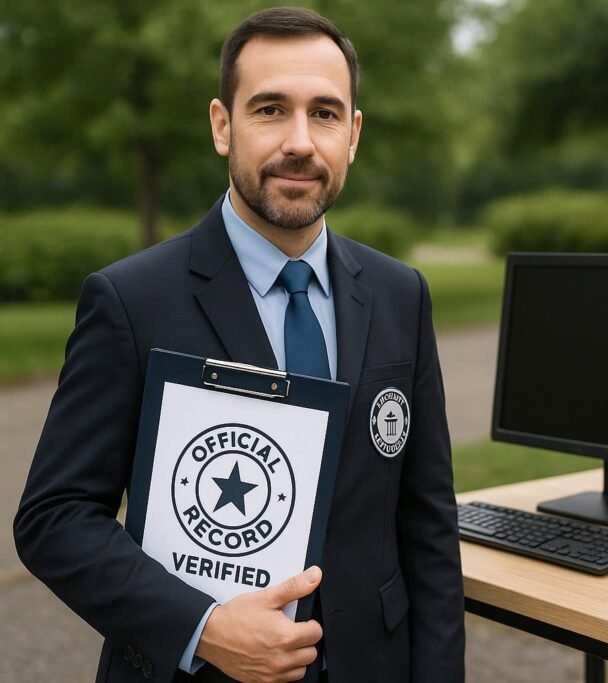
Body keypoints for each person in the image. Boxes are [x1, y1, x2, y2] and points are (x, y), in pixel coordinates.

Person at [13, 7, 465, 682]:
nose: (301, 141)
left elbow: (428, 528)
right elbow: (55, 518)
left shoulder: (402, 294)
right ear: (223, 126)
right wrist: (202, 625)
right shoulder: (132, 302)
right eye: (271, 109)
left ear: (354, 135)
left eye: (325, 113)